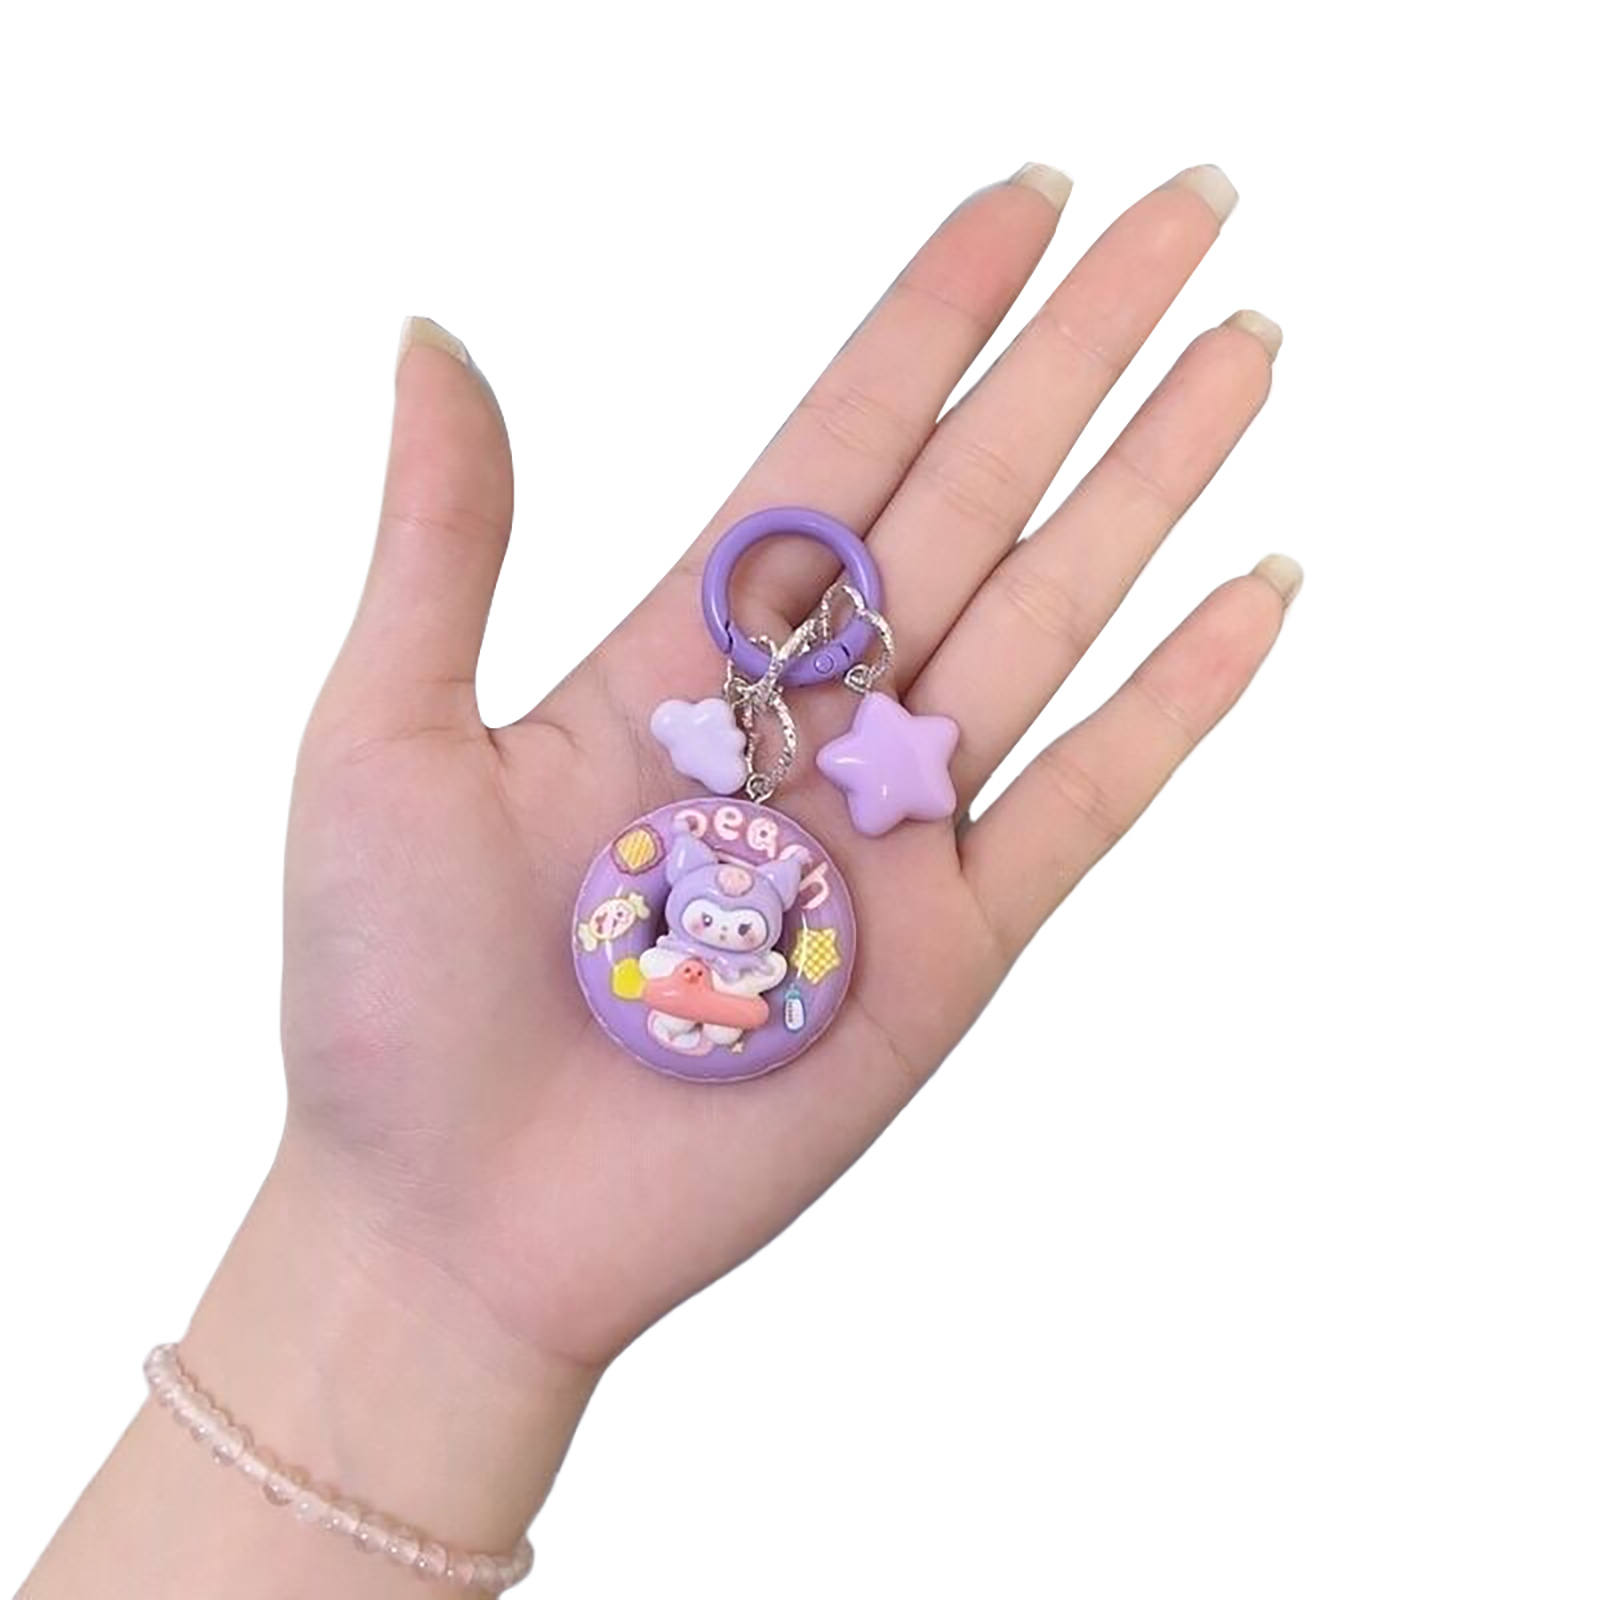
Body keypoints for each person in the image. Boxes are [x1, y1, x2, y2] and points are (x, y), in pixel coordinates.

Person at [23, 160, 1297, 1595]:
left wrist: (422, 1304)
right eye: (720, 907)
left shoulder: (770, 915)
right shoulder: (670, 896)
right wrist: (411, 1263)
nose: (733, 910)